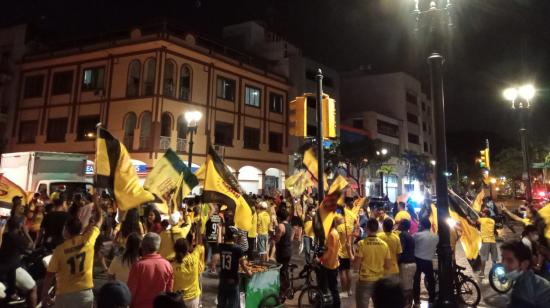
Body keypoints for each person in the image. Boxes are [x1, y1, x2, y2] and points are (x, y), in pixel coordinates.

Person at [41, 195, 103, 308]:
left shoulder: (59, 250)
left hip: (65, 295)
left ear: (67, 231)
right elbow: (99, 219)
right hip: (85, 293)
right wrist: (96, 202)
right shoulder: (88, 241)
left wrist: (45, 295)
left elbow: (49, 275)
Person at [127, 232, 173, 308]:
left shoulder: (138, 266)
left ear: (143, 246)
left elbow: (131, 291)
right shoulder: (167, 265)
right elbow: (169, 291)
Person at [500, 240, 550, 308]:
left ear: (524, 264)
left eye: (510, 260)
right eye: (503, 258)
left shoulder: (523, 291)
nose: (503, 264)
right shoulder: (531, 278)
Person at [354, 218, 390, 308]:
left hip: (365, 281)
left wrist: (350, 253)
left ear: (366, 228)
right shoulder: (384, 245)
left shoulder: (361, 244)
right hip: (379, 281)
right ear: (377, 229)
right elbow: (388, 266)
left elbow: (356, 266)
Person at [0, 215, 34, 304]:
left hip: (4, 265)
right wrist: (26, 232)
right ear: (20, 225)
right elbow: (32, 246)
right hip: (12, 267)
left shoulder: (6, 235)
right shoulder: (17, 238)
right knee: (33, 288)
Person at [218, 227, 252, 308]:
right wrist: (249, 273)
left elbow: (220, 241)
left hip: (222, 280)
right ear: (234, 237)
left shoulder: (221, 247)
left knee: (221, 304)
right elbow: (243, 265)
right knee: (233, 304)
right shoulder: (238, 249)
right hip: (233, 281)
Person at [171, 233, 205, 308]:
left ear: (174, 249)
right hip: (194, 298)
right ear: (188, 248)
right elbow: (200, 244)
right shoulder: (195, 257)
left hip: (178, 299)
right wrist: (199, 229)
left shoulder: (172, 265)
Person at [412, 218, 438, 306]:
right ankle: (431, 299)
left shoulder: (417, 235)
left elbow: (412, 243)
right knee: (431, 281)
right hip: (428, 261)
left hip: (418, 260)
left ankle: (417, 300)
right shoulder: (435, 236)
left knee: (416, 281)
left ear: (422, 225)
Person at [397, 219, 416, 307]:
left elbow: (401, 250)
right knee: (409, 285)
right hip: (412, 263)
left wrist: (397, 261)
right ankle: (409, 303)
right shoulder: (409, 235)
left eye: (400, 223)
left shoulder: (403, 235)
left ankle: (406, 304)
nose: (398, 225)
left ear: (403, 226)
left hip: (406, 264)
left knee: (405, 287)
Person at [274, 207, 292, 296]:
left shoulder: (280, 226)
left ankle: (283, 291)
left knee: (281, 271)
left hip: (282, 251)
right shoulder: (289, 225)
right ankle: (287, 288)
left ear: (279, 217)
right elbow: (291, 238)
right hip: (288, 250)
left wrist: (273, 236)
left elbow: (277, 239)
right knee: (285, 270)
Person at [336, 214, 354, 298]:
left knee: (342, 271)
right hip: (349, 252)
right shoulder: (351, 227)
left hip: (341, 253)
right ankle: (349, 290)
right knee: (349, 271)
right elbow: (352, 241)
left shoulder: (339, 228)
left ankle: (344, 291)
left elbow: (337, 241)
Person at [478, 208, 498, 281]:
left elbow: (474, 221)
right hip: (493, 241)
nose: (482, 214)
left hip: (485, 241)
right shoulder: (492, 221)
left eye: (483, 213)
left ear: (485, 214)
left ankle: (482, 273)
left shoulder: (482, 220)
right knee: (494, 259)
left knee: (483, 258)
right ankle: (495, 273)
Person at [205, 205, 222, 274]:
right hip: (215, 237)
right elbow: (221, 229)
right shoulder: (219, 217)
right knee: (215, 252)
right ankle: (213, 268)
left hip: (208, 237)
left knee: (206, 252)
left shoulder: (209, 216)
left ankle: (205, 266)